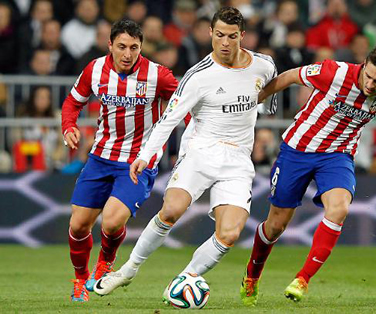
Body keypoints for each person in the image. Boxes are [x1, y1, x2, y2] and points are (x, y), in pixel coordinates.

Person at [93, 7, 277, 299]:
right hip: (201, 150)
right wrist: (146, 155)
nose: (225, 43)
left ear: (242, 36)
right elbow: (169, 120)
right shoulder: (198, 76)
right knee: (172, 210)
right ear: (210, 34)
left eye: (232, 36)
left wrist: (266, 111)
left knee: (229, 234)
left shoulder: (263, 65)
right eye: (219, 35)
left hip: (238, 160)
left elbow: (269, 88)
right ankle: (127, 270)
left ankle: (184, 279)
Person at [240, 43, 376, 306]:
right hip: (297, 150)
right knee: (275, 226)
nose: (370, 84)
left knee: (339, 209)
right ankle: (251, 276)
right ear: (364, 65)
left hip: (337, 156)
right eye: (367, 76)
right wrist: (253, 100)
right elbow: (291, 76)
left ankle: (302, 279)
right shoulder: (333, 73)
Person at [61, 19, 179, 302]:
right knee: (78, 225)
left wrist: (196, 135)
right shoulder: (95, 69)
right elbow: (73, 102)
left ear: (141, 47)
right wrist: (68, 126)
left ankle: (105, 263)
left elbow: (183, 103)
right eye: (122, 47)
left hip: (137, 162)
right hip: (100, 157)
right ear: (110, 45)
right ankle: (79, 280)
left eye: (134, 47)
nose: (128, 54)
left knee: (111, 223)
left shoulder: (157, 75)